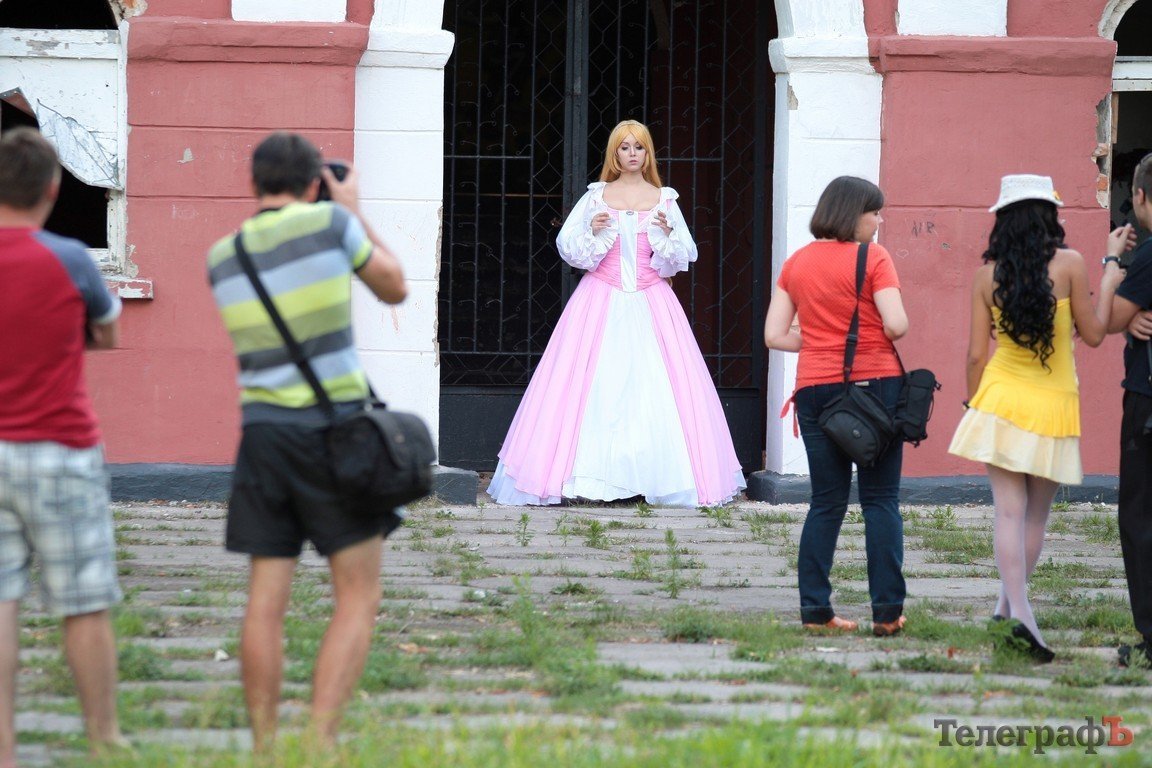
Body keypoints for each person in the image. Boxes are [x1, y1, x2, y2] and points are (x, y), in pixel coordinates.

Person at [206, 132, 407, 751]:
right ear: (315, 182)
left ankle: (265, 750)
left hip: (263, 436)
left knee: (265, 603)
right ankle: (319, 743)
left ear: (253, 183)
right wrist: (352, 210)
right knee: (358, 594)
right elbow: (395, 286)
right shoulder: (331, 225)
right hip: (335, 432)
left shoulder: (224, 255)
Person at [487, 119, 746, 507]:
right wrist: (592, 230)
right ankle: (589, 479)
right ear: (614, 153)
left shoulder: (664, 199)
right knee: (593, 386)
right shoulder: (596, 197)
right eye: (624, 147)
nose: (632, 154)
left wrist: (668, 234)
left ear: (648, 153)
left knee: (655, 388)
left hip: (652, 300)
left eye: (638, 147)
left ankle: (653, 477)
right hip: (599, 300)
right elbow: (571, 248)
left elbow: (679, 258)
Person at [948, 174, 1124, 664]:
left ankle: (1006, 613)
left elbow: (974, 355)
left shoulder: (986, 277)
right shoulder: (1071, 264)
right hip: (1053, 403)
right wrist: (1110, 276)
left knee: (1007, 512)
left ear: (1003, 220)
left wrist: (973, 404)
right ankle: (1021, 616)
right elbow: (1094, 334)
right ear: (1050, 215)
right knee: (1035, 517)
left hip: (999, 398)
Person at [0, 128, 128, 764]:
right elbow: (107, 333)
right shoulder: (72, 258)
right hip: (59, 446)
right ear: (54, 189)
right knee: (83, 601)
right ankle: (104, 739)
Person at [764, 176, 909, 637]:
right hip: (874, 388)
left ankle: (815, 611)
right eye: (874, 212)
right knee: (880, 500)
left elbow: (774, 335)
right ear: (853, 213)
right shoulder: (874, 258)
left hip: (814, 389)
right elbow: (897, 325)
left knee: (826, 502)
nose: (879, 220)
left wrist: (818, 341)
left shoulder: (796, 263)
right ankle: (887, 613)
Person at [1105, 152, 1152, 668]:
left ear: (1138, 195)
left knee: (1140, 517)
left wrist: (1113, 261)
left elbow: (1110, 317)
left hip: (1147, 400)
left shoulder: (1148, 255)